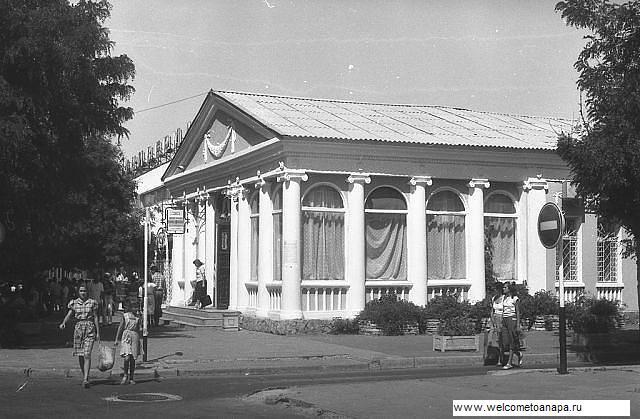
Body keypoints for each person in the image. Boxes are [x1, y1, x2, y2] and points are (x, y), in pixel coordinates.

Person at [59, 283, 100, 388]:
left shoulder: (92, 303)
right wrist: (63, 323)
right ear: (78, 292)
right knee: (81, 354)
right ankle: (84, 376)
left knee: (87, 354)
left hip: (89, 328)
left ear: (87, 292)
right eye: (81, 291)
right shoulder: (74, 303)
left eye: (84, 291)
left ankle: (86, 379)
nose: (83, 293)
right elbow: (69, 314)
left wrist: (98, 332)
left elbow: (95, 317)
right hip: (79, 329)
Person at [114, 301, 142, 385]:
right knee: (127, 357)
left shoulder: (138, 317)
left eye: (137, 307)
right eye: (134, 307)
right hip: (126, 337)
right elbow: (120, 327)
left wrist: (141, 331)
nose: (136, 309)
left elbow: (139, 328)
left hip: (135, 337)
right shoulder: (125, 316)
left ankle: (131, 377)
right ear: (131, 308)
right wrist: (116, 339)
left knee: (133, 358)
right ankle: (125, 375)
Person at [501, 282, 523, 370]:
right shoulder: (504, 298)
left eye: (505, 287)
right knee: (505, 342)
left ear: (509, 289)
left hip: (512, 319)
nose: (503, 289)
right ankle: (518, 353)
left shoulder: (515, 298)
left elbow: (518, 312)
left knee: (511, 341)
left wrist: (517, 324)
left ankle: (509, 362)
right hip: (505, 319)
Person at [490, 282, 505, 367]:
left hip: (502, 319)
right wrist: (493, 322)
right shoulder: (493, 298)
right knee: (496, 341)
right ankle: (499, 358)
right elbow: (492, 311)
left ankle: (502, 358)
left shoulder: (504, 298)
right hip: (495, 320)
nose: (494, 291)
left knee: (502, 340)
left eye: (495, 289)